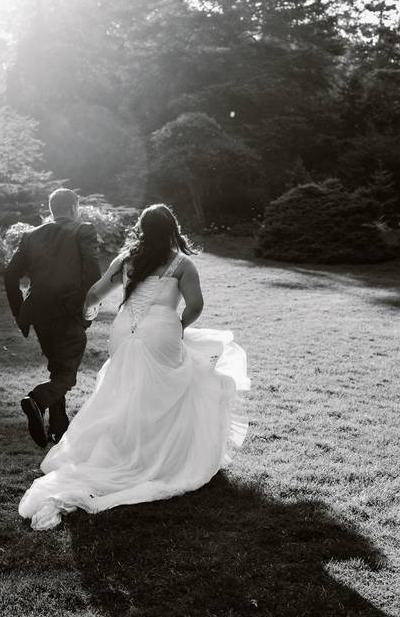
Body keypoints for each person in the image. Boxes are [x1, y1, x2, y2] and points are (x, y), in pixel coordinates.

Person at [18, 204, 248, 530]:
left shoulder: (126, 260)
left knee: (122, 391)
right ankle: (156, 456)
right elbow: (196, 305)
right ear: (172, 228)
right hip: (161, 331)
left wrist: (87, 316)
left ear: (142, 228)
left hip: (123, 331)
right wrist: (178, 325)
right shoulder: (182, 264)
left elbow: (95, 293)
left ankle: (120, 450)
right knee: (166, 392)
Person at [3, 188, 102, 447]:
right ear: (73, 208)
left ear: (52, 209)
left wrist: (20, 311)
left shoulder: (31, 235)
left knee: (57, 368)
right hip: (69, 313)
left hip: (39, 314)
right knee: (67, 376)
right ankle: (36, 399)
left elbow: (10, 275)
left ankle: (58, 427)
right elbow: (93, 274)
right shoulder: (83, 230)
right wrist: (87, 311)